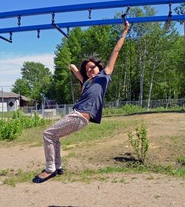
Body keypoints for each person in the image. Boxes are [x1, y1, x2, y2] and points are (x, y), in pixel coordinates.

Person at [32, 21, 130, 183]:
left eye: (92, 67)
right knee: (54, 137)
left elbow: (116, 51)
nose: (90, 70)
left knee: (48, 134)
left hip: (80, 116)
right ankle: (58, 167)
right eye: (87, 69)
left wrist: (125, 31)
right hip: (77, 115)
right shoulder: (86, 82)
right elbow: (76, 70)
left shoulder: (104, 75)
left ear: (99, 67)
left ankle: (50, 169)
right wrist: (71, 65)